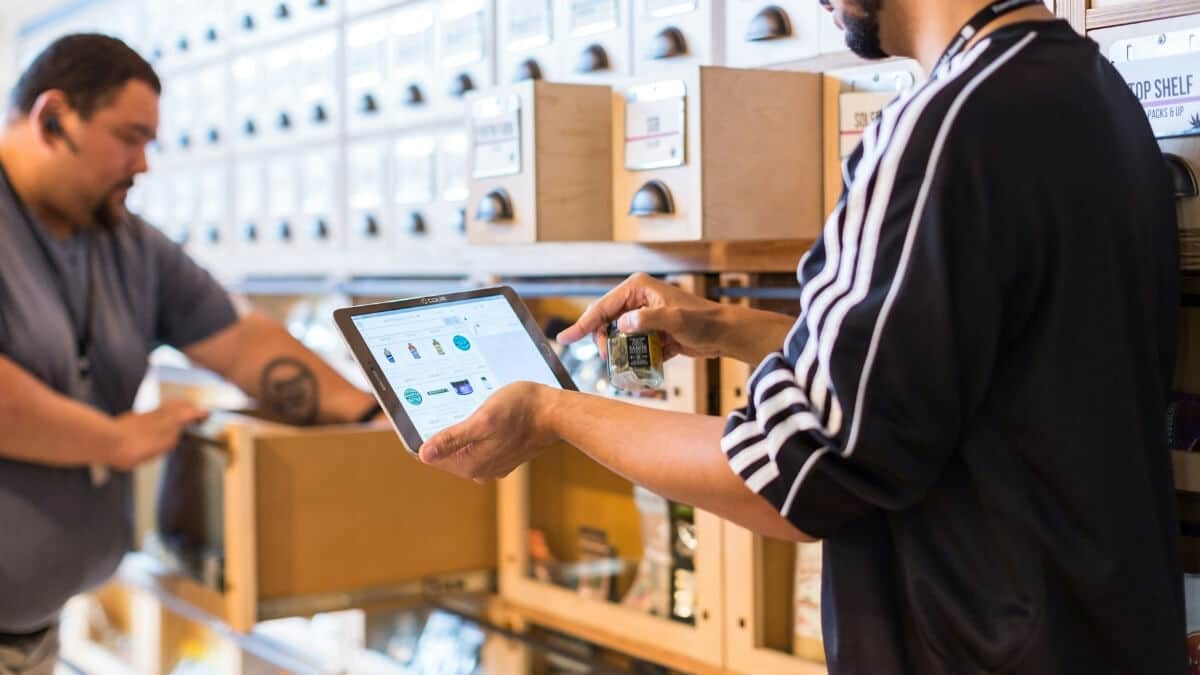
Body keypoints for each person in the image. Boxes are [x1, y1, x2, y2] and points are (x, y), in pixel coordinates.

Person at [419, 0, 1186, 672]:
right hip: (1103, 636)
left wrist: (555, 412)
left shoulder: (938, 127)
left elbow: (788, 477)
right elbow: (955, 370)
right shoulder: (1091, 93)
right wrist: (723, 323)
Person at [0, 35, 380, 674]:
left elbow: (242, 342)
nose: (143, 163)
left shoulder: (126, 243)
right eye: (130, 137)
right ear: (53, 118)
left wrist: (372, 415)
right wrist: (114, 439)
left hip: (35, 637)